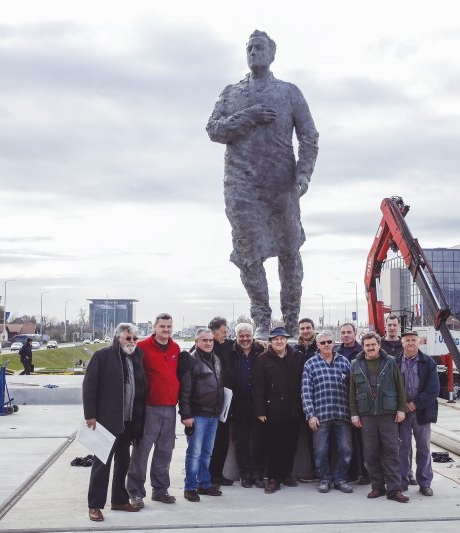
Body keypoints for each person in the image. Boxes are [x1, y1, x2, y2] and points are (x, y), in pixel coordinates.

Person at [207, 29, 319, 339]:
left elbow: (309, 136)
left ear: (272, 54)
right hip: (241, 184)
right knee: (248, 253)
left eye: (260, 47)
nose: (254, 52)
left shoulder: (289, 92)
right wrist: (249, 116)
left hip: (281, 184)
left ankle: (292, 323)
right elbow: (214, 129)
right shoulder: (232, 93)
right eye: (250, 48)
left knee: (289, 250)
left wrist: (303, 174)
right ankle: (262, 321)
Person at [83, 323, 147, 522]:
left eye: (135, 338)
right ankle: (95, 505)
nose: (132, 342)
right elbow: (89, 386)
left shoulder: (137, 356)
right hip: (107, 419)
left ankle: (119, 500)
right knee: (102, 463)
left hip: (128, 420)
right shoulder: (102, 356)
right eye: (128, 338)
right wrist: (90, 415)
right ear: (117, 337)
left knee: (123, 462)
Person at [127, 313, 181, 506]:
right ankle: (135, 492)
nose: (166, 330)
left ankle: (160, 489)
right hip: (149, 407)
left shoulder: (175, 348)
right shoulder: (141, 347)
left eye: (169, 327)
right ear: (154, 327)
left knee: (165, 450)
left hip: (169, 407)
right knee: (142, 450)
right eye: (162, 326)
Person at [349, 333, 408, 503]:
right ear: (363, 347)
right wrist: (354, 413)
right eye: (367, 345)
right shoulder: (356, 364)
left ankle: (394, 490)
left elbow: (399, 387)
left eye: (373, 345)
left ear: (378, 344)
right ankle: (377, 487)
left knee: (392, 452)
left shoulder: (390, 362)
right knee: (370, 453)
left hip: (387, 414)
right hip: (366, 415)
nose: (370, 348)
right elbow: (352, 392)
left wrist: (401, 409)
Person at [252, 327, 304, 493]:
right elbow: (258, 387)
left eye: (282, 338)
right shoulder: (262, 359)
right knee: (273, 446)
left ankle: (286, 474)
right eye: (275, 339)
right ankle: (273, 478)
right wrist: (260, 410)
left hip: (294, 409)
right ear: (270, 342)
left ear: (287, 340)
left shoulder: (297, 357)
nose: (279, 341)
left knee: (290, 446)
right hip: (272, 411)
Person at [301, 330, 353, 494]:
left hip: (342, 414)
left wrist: (354, 413)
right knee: (320, 451)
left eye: (329, 342)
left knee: (345, 450)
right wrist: (311, 414)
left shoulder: (345, 362)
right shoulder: (310, 364)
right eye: (323, 343)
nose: (326, 345)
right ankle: (324, 479)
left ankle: (340, 479)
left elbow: (353, 390)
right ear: (317, 345)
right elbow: (306, 392)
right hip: (320, 416)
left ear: (334, 343)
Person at [179, 328, 225, 502]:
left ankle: (204, 484)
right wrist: (186, 414)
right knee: (194, 453)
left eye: (211, 340)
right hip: (197, 415)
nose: (208, 343)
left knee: (207, 452)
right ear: (196, 341)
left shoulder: (216, 359)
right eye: (204, 340)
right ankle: (190, 486)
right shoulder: (191, 361)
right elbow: (185, 391)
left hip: (213, 414)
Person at [397, 330, 439, 496]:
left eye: (413, 340)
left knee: (423, 447)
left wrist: (415, 404)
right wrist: (401, 406)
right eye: (407, 341)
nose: (410, 343)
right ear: (402, 343)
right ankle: (402, 482)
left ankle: (425, 483)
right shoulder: (395, 362)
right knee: (403, 448)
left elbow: (433, 389)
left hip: (422, 411)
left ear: (419, 342)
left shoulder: (428, 363)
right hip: (402, 412)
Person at [229, 322, 266, 488]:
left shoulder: (261, 350)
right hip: (238, 404)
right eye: (241, 336)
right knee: (241, 442)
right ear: (236, 337)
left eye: (248, 336)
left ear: (253, 336)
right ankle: (245, 474)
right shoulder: (230, 352)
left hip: (258, 404)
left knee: (259, 441)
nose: (245, 339)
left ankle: (258, 474)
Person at [208, 316, 235, 488]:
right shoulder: (205, 345)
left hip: (226, 400)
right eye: (223, 332)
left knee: (223, 439)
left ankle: (218, 474)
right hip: (210, 401)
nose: (226, 335)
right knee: (211, 441)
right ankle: (207, 476)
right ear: (214, 331)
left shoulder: (228, 344)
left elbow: (246, 341)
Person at [338, 322, 366, 484]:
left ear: (355, 333)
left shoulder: (362, 352)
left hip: (360, 403)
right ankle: (352, 472)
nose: (346, 335)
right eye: (343, 332)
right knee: (346, 442)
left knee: (363, 441)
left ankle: (366, 473)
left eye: (349, 332)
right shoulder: (336, 352)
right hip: (342, 403)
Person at [296, 317, 319, 482]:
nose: (305, 331)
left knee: (317, 438)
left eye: (308, 328)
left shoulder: (321, 346)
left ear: (313, 329)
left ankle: (319, 471)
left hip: (317, 400)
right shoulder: (294, 349)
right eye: (302, 328)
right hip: (298, 400)